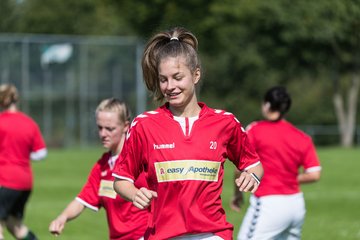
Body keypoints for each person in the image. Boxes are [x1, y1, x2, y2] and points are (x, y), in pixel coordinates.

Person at [112, 26, 264, 240]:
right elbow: (120, 180)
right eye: (163, 79)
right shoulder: (144, 125)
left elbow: (253, 165)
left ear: (196, 74)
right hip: (162, 235)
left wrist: (253, 177)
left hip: (213, 234)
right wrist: (135, 193)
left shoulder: (225, 123)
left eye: (177, 77)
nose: (170, 86)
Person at [49, 98, 148, 240]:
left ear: (126, 126)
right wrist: (62, 218)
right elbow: (82, 199)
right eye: (100, 128)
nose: (103, 134)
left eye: (109, 128)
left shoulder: (140, 158)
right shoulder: (102, 165)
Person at [233, 86, 322, 240]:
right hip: (296, 205)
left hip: (269, 204)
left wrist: (237, 194)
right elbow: (314, 174)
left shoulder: (255, 130)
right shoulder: (301, 137)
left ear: (267, 105)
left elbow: (240, 169)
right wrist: (288, 178)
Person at [0, 83, 47, 240]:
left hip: (5, 180)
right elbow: (41, 153)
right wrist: (22, 156)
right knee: (15, 225)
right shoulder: (29, 122)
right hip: (25, 182)